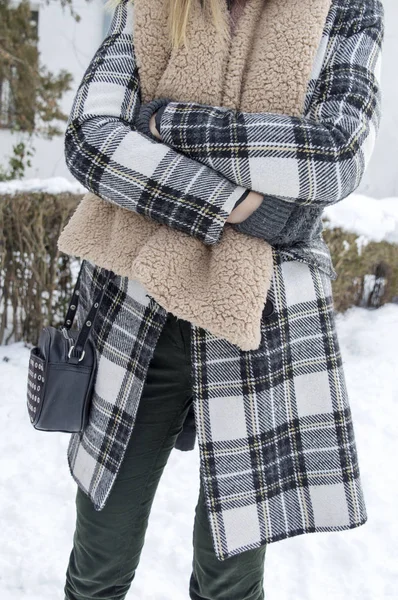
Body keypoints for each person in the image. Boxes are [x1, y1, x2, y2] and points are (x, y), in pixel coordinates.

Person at [62, 0, 384, 598]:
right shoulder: (150, 5)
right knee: (99, 559)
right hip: (139, 309)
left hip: (259, 321)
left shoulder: (345, 7)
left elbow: (336, 154)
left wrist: (168, 123)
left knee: (229, 578)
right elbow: (91, 138)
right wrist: (242, 207)